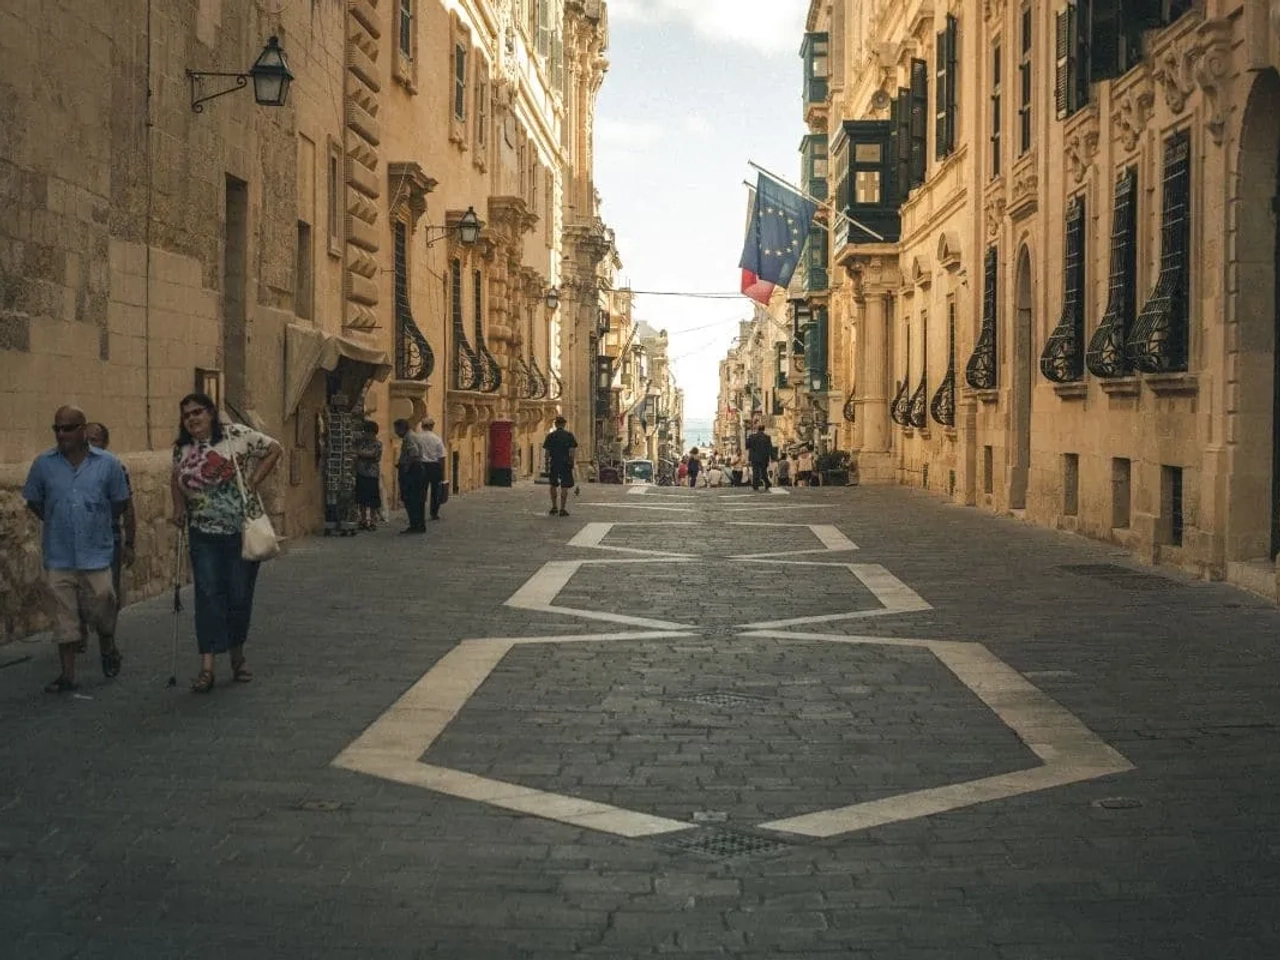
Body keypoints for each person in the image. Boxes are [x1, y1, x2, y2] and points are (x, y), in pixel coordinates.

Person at [171, 393, 282, 693]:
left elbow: (274, 449)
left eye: (198, 412)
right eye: (186, 415)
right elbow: (176, 477)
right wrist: (179, 508)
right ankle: (207, 667)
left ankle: (237, 656)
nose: (192, 419)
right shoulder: (182, 448)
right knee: (207, 595)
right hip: (202, 533)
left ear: (210, 413)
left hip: (240, 532)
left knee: (238, 596)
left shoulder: (237, 435)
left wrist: (254, 481)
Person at [23, 406, 132, 692]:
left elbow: (120, 501)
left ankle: (107, 642)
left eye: (68, 428)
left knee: (103, 604)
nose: (61, 434)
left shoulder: (108, 464)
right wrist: (55, 517)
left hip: (96, 553)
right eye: (57, 428)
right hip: (59, 553)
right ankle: (68, 674)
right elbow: (34, 499)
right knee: (64, 616)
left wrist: (101, 522)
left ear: (83, 430)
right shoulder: (44, 464)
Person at [79, 422, 137, 655]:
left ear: (105, 443)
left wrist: (130, 543)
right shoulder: (69, 467)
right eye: (87, 439)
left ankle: (108, 640)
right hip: (75, 539)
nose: (91, 444)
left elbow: (128, 507)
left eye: (96, 439)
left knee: (108, 593)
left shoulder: (115, 468)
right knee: (74, 589)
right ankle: (79, 633)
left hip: (107, 539)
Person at [394, 418, 429, 533]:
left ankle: (415, 524)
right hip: (419, 469)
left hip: (413, 471)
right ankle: (419, 524)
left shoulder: (409, 438)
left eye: (397, 429)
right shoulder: (413, 435)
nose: (396, 432)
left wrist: (406, 468)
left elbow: (414, 454)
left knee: (411, 498)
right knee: (417, 500)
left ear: (402, 428)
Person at [542, 416, 577, 516]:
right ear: (564, 424)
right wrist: (572, 462)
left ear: (556, 424)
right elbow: (571, 451)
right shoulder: (569, 435)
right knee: (565, 485)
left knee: (553, 484)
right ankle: (562, 508)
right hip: (566, 463)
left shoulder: (550, 436)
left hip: (554, 462)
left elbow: (547, 452)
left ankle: (554, 506)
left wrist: (547, 464)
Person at [354, 420, 382, 530]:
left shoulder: (377, 444)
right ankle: (363, 519)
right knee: (361, 498)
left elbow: (373, 455)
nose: (364, 434)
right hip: (361, 473)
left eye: (367, 432)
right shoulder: (361, 443)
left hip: (372, 474)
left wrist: (359, 454)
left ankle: (373, 520)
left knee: (372, 499)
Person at [419, 417, 448, 521]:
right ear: (432, 426)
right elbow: (442, 456)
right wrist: (442, 471)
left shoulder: (418, 438)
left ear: (422, 426)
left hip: (421, 465)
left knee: (421, 490)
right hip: (434, 466)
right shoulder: (437, 439)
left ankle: (420, 512)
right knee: (436, 491)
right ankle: (434, 513)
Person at [746, 424, 774, 491]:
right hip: (764, 457)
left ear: (758, 429)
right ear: (764, 429)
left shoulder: (751, 436)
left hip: (754, 457)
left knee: (755, 472)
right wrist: (772, 457)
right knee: (764, 471)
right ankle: (767, 483)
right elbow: (770, 448)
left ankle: (755, 485)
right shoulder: (767, 437)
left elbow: (747, 446)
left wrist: (748, 438)